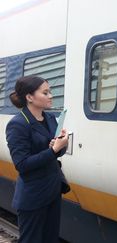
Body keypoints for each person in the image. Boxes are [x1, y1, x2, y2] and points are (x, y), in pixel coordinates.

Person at [6, 76, 69, 243]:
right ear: (29, 97)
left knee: (50, 239)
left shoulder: (49, 118)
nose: (51, 96)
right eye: (45, 92)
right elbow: (22, 164)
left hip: (52, 190)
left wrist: (62, 144)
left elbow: (57, 152)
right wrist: (53, 150)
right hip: (33, 196)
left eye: (50, 92)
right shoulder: (18, 124)